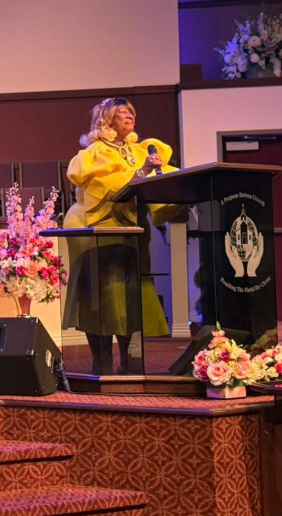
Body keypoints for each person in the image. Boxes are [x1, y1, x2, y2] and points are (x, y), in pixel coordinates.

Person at [64, 97, 178, 374]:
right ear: (106, 120)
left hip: (134, 228)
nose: (130, 116)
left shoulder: (141, 150)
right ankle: (100, 363)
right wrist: (143, 172)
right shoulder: (95, 153)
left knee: (131, 294)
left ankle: (129, 363)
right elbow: (109, 190)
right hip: (98, 226)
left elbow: (159, 181)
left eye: (132, 113)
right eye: (123, 113)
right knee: (103, 296)